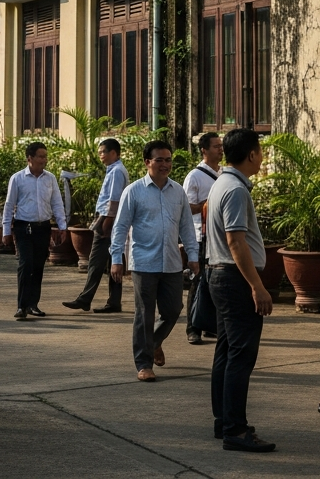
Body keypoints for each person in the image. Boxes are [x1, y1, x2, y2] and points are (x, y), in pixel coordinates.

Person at [205, 128, 276, 452]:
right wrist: (257, 287)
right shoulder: (235, 189)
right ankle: (235, 429)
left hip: (222, 276)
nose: (261, 158)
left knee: (227, 351)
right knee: (240, 355)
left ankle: (225, 422)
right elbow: (236, 241)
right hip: (234, 278)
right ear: (251, 155)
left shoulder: (223, 183)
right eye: (260, 152)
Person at [110, 140, 200, 381]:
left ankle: (155, 341)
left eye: (168, 160)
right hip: (143, 262)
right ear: (147, 162)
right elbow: (120, 227)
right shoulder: (134, 191)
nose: (165, 164)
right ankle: (143, 363)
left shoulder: (177, 191)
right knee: (144, 314)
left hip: (171, 262)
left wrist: (193, 255)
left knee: (173, 310)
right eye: (159, 160)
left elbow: (186, 227)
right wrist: (116, 258)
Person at [63, 138, 127, 314]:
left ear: (113, 153)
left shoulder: (116, 172)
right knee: (114, 261)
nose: (101, 156)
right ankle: (114, 301)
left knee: (96, 261)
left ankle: (85, 299)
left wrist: (106, 223)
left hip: (108, 221)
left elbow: (114, 200)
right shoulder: (114, 170)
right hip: (110, 220)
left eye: (103, 152)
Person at [3, 141, 66, 320]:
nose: (44, 160)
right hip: (23, 227)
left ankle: (33, 304)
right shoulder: (17, 178)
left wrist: (62, 226)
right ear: (29, 158)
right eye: (40, 156)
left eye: (45, 156)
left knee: (38, 266)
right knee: (26, 264)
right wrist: (6, 230)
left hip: (42, 227)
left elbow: (57, 203)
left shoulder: (50, 178)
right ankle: (21, 306)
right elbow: (9, 206)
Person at [183, 132, 222, 345]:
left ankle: (210, 326)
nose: (220, 149)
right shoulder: (195, 176)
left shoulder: (224, 173)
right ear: (204, 150)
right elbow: (187, 208)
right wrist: (208, 203)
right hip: (200, 236)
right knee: (198, 282)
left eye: (221, 146)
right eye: (216, 146)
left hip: (218, 237)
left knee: (214, 282)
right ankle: (193, 328)